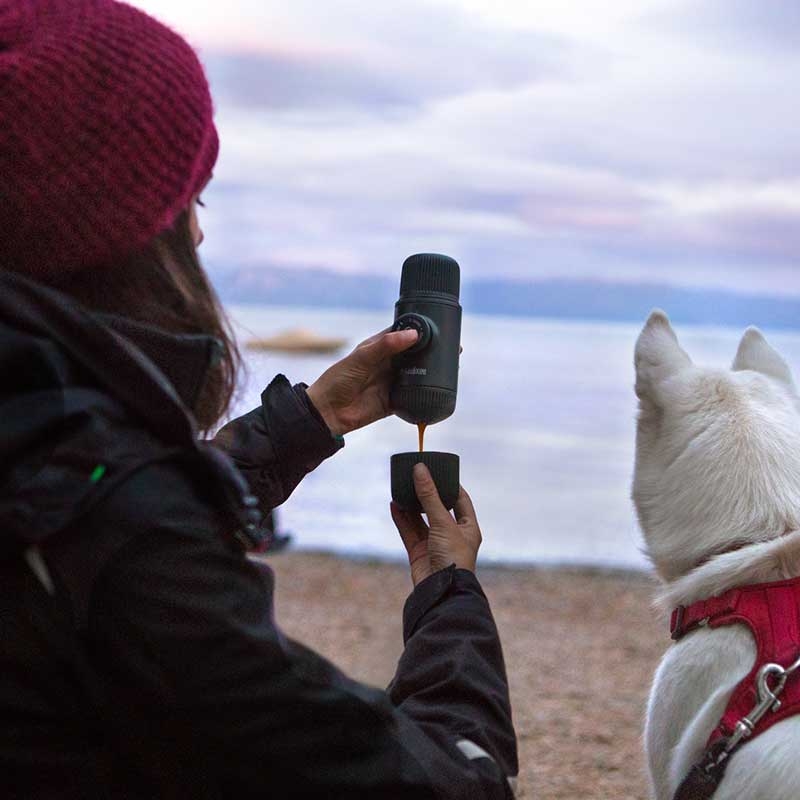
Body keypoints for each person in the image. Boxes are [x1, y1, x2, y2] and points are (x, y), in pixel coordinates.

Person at [0, 1, 519, 798]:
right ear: (110, 233)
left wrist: (313, 420)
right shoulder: (139, 563)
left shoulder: (42, 458)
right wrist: (450, 596)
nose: (198, 237)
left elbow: (72, 498)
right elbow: (443, 786)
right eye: (191, 202)